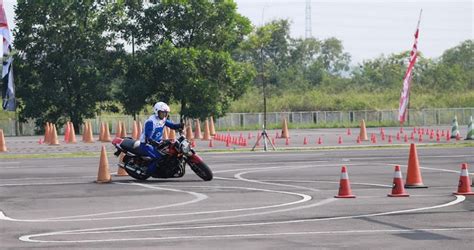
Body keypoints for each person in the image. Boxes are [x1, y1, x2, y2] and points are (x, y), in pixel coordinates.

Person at [139, 101, 184, 175]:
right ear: (157, 111)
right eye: (163, 112)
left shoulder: (162, 119)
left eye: (166, 113)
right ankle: (147, 172)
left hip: (157, 143)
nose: (165, 114)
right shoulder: (151, 121)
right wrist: (152, 141)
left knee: (169, 152)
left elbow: (172, 125)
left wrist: (179, 125)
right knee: (159, 158)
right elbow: (148, 136)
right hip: (146, 145)